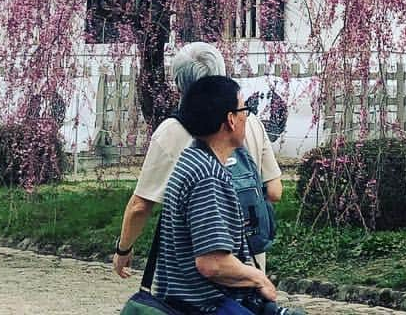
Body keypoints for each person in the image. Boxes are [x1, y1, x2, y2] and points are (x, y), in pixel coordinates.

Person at [113, 43, 282, 280]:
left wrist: (124, 248)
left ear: (179, 85)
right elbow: (274, 191)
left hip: (191, 268)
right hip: (249, 262)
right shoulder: (247, 120)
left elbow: (141, 205)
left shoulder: (172, 131)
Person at [153, 75, 276, 315]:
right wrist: (258, 278)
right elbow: (213, 263)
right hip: (205, 307)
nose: (246, 117)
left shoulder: (192, 159)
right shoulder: (207, 176)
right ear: (230, 119)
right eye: (244, 109)